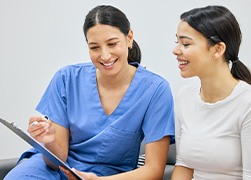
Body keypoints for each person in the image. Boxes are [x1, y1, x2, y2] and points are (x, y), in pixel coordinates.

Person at [5, 5, 175, 180]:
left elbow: (154, 170)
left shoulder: (155, 90)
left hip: (108, 177)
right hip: (53, 170)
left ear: (129, 38)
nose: (105, 55)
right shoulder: (66, 78)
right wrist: (49, 142)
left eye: (112, 44)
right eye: (94, 47)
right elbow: (55, 161)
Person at [171, 5, 251, 180]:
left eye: (185, 43)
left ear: (217, 49)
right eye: (177, 42)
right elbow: (183, 166)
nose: (176, 50)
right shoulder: (184, 96)